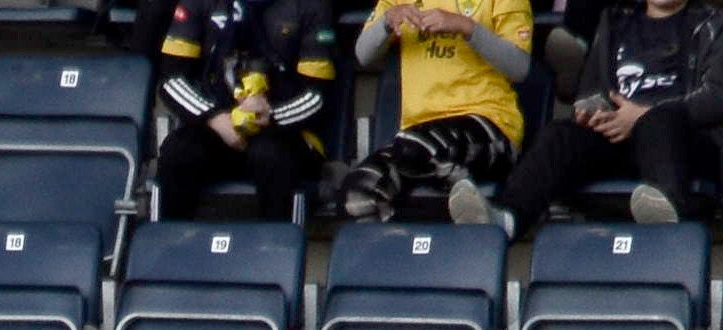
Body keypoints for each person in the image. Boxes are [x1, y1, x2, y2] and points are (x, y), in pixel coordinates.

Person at [497, 0, 723, 230]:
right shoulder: (615, 22)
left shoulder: (717, 24)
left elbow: (721, 98)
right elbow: (591, 92)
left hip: (685, 141)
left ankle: (666, 211)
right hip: (620, 138)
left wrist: (642, 115)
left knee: (658, 121)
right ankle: (508, 216)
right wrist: (593, 113)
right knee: (558, 134)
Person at [330, 0, 531, 224]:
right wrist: (388, 20)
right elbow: (363, 55)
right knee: (355, 196)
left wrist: (466, 27)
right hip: (414, 143)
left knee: (414, 148)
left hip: (490, 127)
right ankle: (401, 243)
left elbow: (519, 67)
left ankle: (467, 196)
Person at [153, 0, 342, 218]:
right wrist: (213, 117)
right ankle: (174, 238)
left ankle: (277, 239)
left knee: (270, 155)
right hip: (216, 126)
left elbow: (319, 95)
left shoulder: (311, 5)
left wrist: (269, 115)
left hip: (285, 131)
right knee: (179, 150)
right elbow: (171, 79)